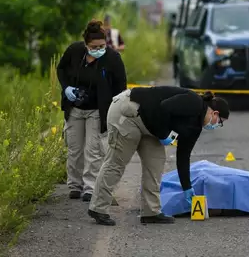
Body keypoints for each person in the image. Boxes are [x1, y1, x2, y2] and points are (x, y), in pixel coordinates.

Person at [88, 87, 230, 226]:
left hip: (151, 124)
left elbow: (183, 156)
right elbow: (164, 107)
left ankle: (151, 212)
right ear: (214, 113)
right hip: (129, 111)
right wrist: (164, 135)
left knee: (156, 162)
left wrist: (187, 187)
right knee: (117, 162)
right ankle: (98, 208)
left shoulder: (195, 128)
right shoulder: (194, 102)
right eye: (220, 122)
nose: (217, 125)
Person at [57, 19, 127, 201]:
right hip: (75, 108)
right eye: (94, 47)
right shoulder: (75, 51)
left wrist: (116, 112)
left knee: (93, 150)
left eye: (102, 46)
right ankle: (74, 185)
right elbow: (61, 69)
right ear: (86, 45)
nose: (98, 50)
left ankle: (90, 187)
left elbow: (121, 87)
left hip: (98, 110)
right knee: (74, 149)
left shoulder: (112, 58)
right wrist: (66, 89)